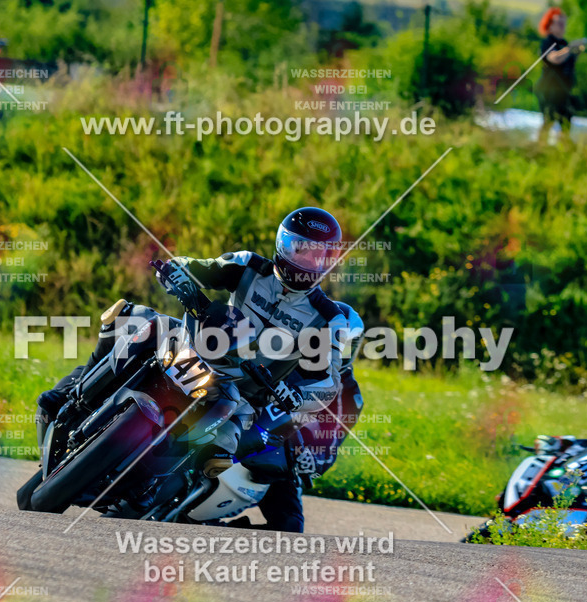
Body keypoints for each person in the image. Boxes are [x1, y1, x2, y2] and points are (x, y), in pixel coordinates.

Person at [36, 206, 353, 472]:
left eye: (318, 255)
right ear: (283, 245)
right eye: (300, 249)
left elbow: (328, 382)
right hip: (202, 349)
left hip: (245, 395)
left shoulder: (329, 318)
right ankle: (69, 396)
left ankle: (163, 486)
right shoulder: (248, 265)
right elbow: (197, 267)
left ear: (330, 261)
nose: (306, 262)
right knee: (129, 317)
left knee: (218, 454)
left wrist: (296, 396)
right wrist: (176, 272)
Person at [234, 302, 365, 532]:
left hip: (277, 456)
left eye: (345, 346)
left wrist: (310, 461)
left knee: (290, 527)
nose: (336, 352)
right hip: (235, 422)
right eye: (330, 342)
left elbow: (328, 447)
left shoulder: (349, 395)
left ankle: (211, 530)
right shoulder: (283, 353)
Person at [534, 8, 587, 143]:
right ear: (550, 25)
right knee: (549, 120)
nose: (563, 27)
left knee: (566, 122)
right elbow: (554, 58)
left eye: (564, 23)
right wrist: (570, 48)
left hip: (564, 90)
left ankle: (562, 152)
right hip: (549, 90)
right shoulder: (547, 42)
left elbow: (570, 62)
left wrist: (579, 50)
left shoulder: (563, 43)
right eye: (559, 23)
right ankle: (540, 148)